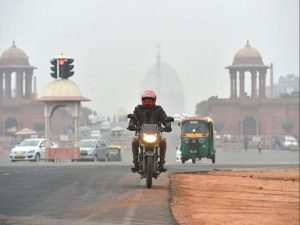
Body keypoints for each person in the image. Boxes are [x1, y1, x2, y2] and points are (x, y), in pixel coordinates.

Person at [127, 90, 172, 173]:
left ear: (153, 100)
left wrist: (167, 126)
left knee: (163, 141)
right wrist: (131, 125)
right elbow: (133, 118)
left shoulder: (158, 109)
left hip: (155, 133)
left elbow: (165, 119)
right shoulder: (138, 109)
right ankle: (136, 162)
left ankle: (161, 162)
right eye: (146, 99)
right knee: (135, 142)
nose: (148, 100)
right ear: (143, 100)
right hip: (142, 133)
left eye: (150, 99)